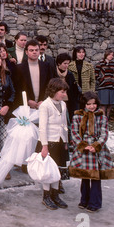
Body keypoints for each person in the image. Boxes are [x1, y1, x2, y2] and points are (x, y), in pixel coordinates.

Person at [69, 91, 114, 212]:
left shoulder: (102, 116)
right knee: (84, 175)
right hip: (84, 150)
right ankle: (84, 200)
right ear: (84, 104)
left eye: (94, 104)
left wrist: (96, 145)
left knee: (95, 177)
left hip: (97, 151)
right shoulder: (77, 117)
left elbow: (104, 133)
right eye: (89, 104)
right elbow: (74, 132)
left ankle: (95, 202)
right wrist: (82, 145)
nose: (92, 106)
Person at [37, 78, 70, 210]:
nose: (64, 94)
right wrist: (44, 146)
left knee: (57, 169)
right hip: (49, 142)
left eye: (65, 92)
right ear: (54, 91)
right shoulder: (45, 105)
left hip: (60, 140)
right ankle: (46, 196)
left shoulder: (63, 104)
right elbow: (42, 127)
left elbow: (65, 123)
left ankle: (55, 194)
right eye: (62, 91)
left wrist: (66, 141)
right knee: (48, 170)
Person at [14, 39, 52, 110]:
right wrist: (27, 100)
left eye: (36, 50)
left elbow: (49, 85)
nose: (34, 52)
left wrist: (44, 100)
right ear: (26, 52)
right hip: (25, 106)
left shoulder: (46, 66)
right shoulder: (19, 68)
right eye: (31, 50)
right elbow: (17, 87)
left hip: (43, 104)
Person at [94, 50, 114, 119]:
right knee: (103, 103)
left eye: (112, 55)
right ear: (106, 55)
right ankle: (103, 116)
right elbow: (95, 74)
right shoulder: (100, 64)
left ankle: (108, 116)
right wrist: (101, 80)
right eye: (110, 55)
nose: (111, 56)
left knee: (110, 103)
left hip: (112, 85)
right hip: (103, 86)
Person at [56, 53, 80, 120]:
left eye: (68, 63)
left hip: (68, 101)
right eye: (64, 63)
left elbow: (74, 90)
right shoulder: (54, 73)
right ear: (59, 63)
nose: (66, 65)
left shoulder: (70, 75)